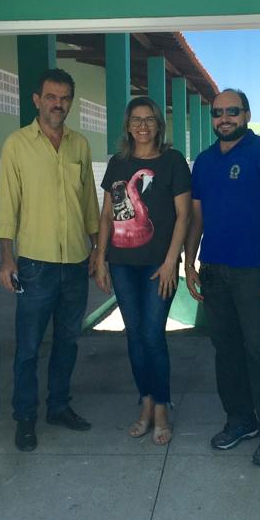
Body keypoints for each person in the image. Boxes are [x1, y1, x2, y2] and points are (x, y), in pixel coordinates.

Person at [185, 88, 260, 466]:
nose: (224, 119)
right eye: (218, 112)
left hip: (254, 273)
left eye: (232, 111)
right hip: (214, 271)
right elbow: (197, 218)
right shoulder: (204, 162)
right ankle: (240, 420)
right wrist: (190, 263)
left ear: (246, 115)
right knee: (227, 351)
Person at [0, 68, 100, 452]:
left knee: (68, 341)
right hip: (35, 265)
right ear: (37, 100)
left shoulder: (79, 145)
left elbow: (88, 203)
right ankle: (25, 417)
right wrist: (7, 259)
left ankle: (58, 406)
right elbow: (8, 204)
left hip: (75, 262)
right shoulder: (17, 144)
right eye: (52, 97)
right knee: (28, 347)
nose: (58, 104)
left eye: (65, 98)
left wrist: (97, 249)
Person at [94, 96, 191, 446]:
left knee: (152, 334)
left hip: (157, 265)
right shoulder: (118, 163)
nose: (143, 126)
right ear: (128, 126)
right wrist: (101, 258)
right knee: (134, 335)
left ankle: (162, 407)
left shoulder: (172, 161)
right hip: (122, 264)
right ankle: (146, 402)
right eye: (136, 119)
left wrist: (170, 262)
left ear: (159, 125)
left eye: (150, 119)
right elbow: (107, 215)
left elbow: (184, 215)